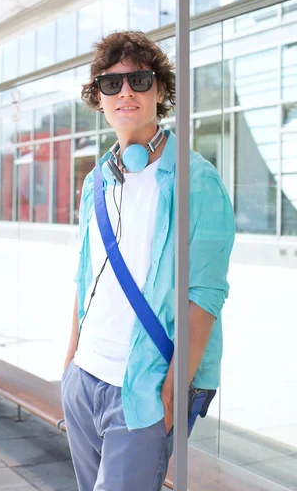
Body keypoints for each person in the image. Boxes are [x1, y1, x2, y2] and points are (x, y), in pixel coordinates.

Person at [61, 31, 235, 491]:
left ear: (160, 90)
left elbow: (206, 297)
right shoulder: (96, 181)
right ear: (98, 97)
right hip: (84, 379)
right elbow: (85, 276)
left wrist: (173, 394)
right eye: (111, 84)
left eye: (139, 79)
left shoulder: (197, 181)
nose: (126, 93)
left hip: (144, 388)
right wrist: (69, 368)